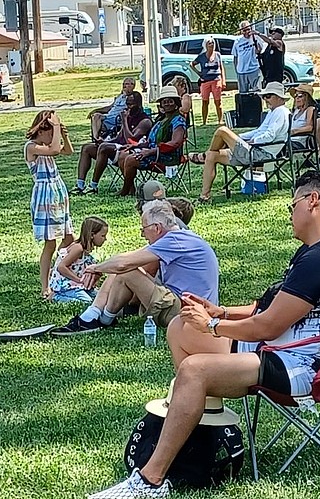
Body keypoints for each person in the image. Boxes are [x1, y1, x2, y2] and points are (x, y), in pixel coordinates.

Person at [86, 170, 320, 499]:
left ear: (312, 202)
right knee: (180, 327)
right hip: (281, 348)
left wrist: (213, 327)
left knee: (195, 370)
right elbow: (267, 307)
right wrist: (221, 313)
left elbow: (268, 325)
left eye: (292, 205)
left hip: (303, 364)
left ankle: (151, 479)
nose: (290, 214)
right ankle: (199, 436)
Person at [52, 200, 219, 336]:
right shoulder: (180, 238)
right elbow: (132, 263)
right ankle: (97, 316)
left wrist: (97, 268)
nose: (142, 234)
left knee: (125, 269)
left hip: (186, 313)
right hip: (187, 306)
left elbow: (124, 264)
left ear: (157, 228)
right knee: (122, 268)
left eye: (143, 229)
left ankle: (96, 319)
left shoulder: (174, 240)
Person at [191, 82, 291, 203]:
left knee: (222, 130)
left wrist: (251, 141)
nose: (265, 99)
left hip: (261, 153)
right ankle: (204, 196)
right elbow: (258, 131)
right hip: (253, 150)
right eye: (264, 96)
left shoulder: (281, 111)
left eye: (268, 96)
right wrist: (239, 138)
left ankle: (203, 155)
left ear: (279, 97)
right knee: (212, 156)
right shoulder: (272, 112)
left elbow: (269, 136)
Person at [25, 110, 75, 298]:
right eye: (49, 132)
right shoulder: (31, 147)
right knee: (50, 243)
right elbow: (54, 150)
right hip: (45, 196)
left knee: (69, 237)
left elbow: (67, 151)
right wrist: (54, 127)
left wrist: (63, 134)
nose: (52, 137)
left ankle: (58, 271)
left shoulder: (48, 143)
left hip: (58, 193)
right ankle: (45, 286)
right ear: (41, 130)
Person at [115, 85, 187, 197]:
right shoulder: (160, 120)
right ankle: (131, 188)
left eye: (170, 101)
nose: (167, 104)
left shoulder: (178, 120)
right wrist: (135, 146)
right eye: (164, 102)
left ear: (176, 103)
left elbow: (175, 143)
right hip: (152, 153)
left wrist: (149, 152)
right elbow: (150, 142)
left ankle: (124, 191)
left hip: (166, 157)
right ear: (161, 104)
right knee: (122, 155)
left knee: (130, 159)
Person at [75, 91, 151, 195]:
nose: (128, 107)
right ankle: (80, 185)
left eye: (131, 104)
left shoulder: (145, 121)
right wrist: (104, 141)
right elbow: (118, 137)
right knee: (87, 148)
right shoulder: (128, 116)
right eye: (127, 104)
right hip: (117, 148)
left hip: (131, 150)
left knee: (104, 147)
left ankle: (93, 186)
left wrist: (124, 121)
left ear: (138, 104)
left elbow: (131, 139)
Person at [48, 215, 110, 303]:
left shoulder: (86, 251)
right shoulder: (78, 248)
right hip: (67, 285)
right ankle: (56, 296)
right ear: (92, 235)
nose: (105, 239)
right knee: (86, 301)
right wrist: (79, 281)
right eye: (103, 236)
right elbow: (61, 267)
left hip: (78, 285)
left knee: (101, 298)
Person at [90, 76, 137, 141]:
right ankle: (96, 138)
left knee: (98, 123)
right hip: (109, 116)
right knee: (96, 116)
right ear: (123, 86)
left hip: (117, 119)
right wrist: (96, 110)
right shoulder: (120, 96)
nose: (129, 86)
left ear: (134, 86)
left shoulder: (132, 98)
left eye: (131, 84)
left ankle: (98, 138)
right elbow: (110, 107)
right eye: (127, 84)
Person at [191, 37, 225, 126]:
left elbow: (221, 68)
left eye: (212, 43)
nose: (211, 45)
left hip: (216, 80)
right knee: (205, 101)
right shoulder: (202, 56)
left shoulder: (217, 55)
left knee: (218, 101)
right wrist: (199, 73)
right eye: (209, 43)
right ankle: (204, 122)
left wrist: (223, 80)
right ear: (205, 45)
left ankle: (220, 120)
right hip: (205, 81)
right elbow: (192, 64)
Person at [234, 21, 262, 94]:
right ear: (241, 31)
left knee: (257, 92)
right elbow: (235, 57)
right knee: (243, 93)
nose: (247, 32)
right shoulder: (237, 41)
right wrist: (237, 70)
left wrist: (254, 38)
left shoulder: (255, 38)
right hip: (241, 71)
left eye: (248, 29)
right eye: (244, 30)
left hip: (254, 69)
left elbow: (259, 50)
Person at [289, 85, 317, 150]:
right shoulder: (296, 110)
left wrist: (294, 131)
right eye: (295, 96)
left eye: (300, 96)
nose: (297, 98)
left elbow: (310, 127)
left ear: (307, 98)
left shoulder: (309, 109)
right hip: (288, 139)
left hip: (298, 141)